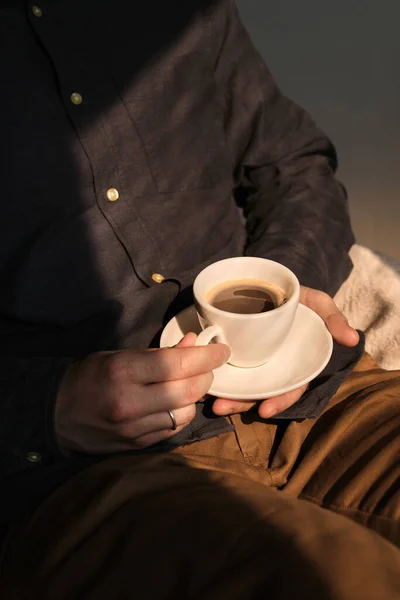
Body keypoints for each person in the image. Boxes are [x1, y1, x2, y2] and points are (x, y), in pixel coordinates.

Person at [0, 0, 399, 598]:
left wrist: (285, 294)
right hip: (98, 478)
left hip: (317, 403)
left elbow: (293, 165)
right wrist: (51, 408)